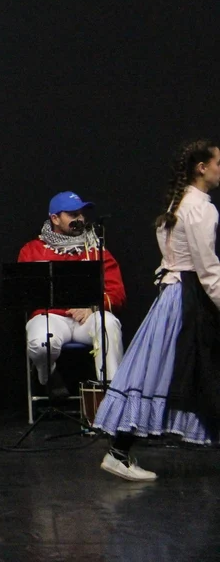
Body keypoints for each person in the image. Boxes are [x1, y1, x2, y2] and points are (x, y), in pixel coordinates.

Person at [93, 140, 220, 481]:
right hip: (188, 297)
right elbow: (207, 269)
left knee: (160, 372)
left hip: (174, 295)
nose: (219, 170)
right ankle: (119, 451)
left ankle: (119, 450)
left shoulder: (179, 204)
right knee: (162, 373)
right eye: (218, 163)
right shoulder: (200, 209)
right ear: (202, 168)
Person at [19, 190, 125, 397]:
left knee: (109, 325)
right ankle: (47, 375)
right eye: (73, 214)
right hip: (50, 317)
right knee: (41, 343)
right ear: (55, 218)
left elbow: (117, 293)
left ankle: (111, 396)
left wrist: (93, 307)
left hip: (87, 317)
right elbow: (24, 294)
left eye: (82, 214)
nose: (80, 219)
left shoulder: (96, 249)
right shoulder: (32, 250)